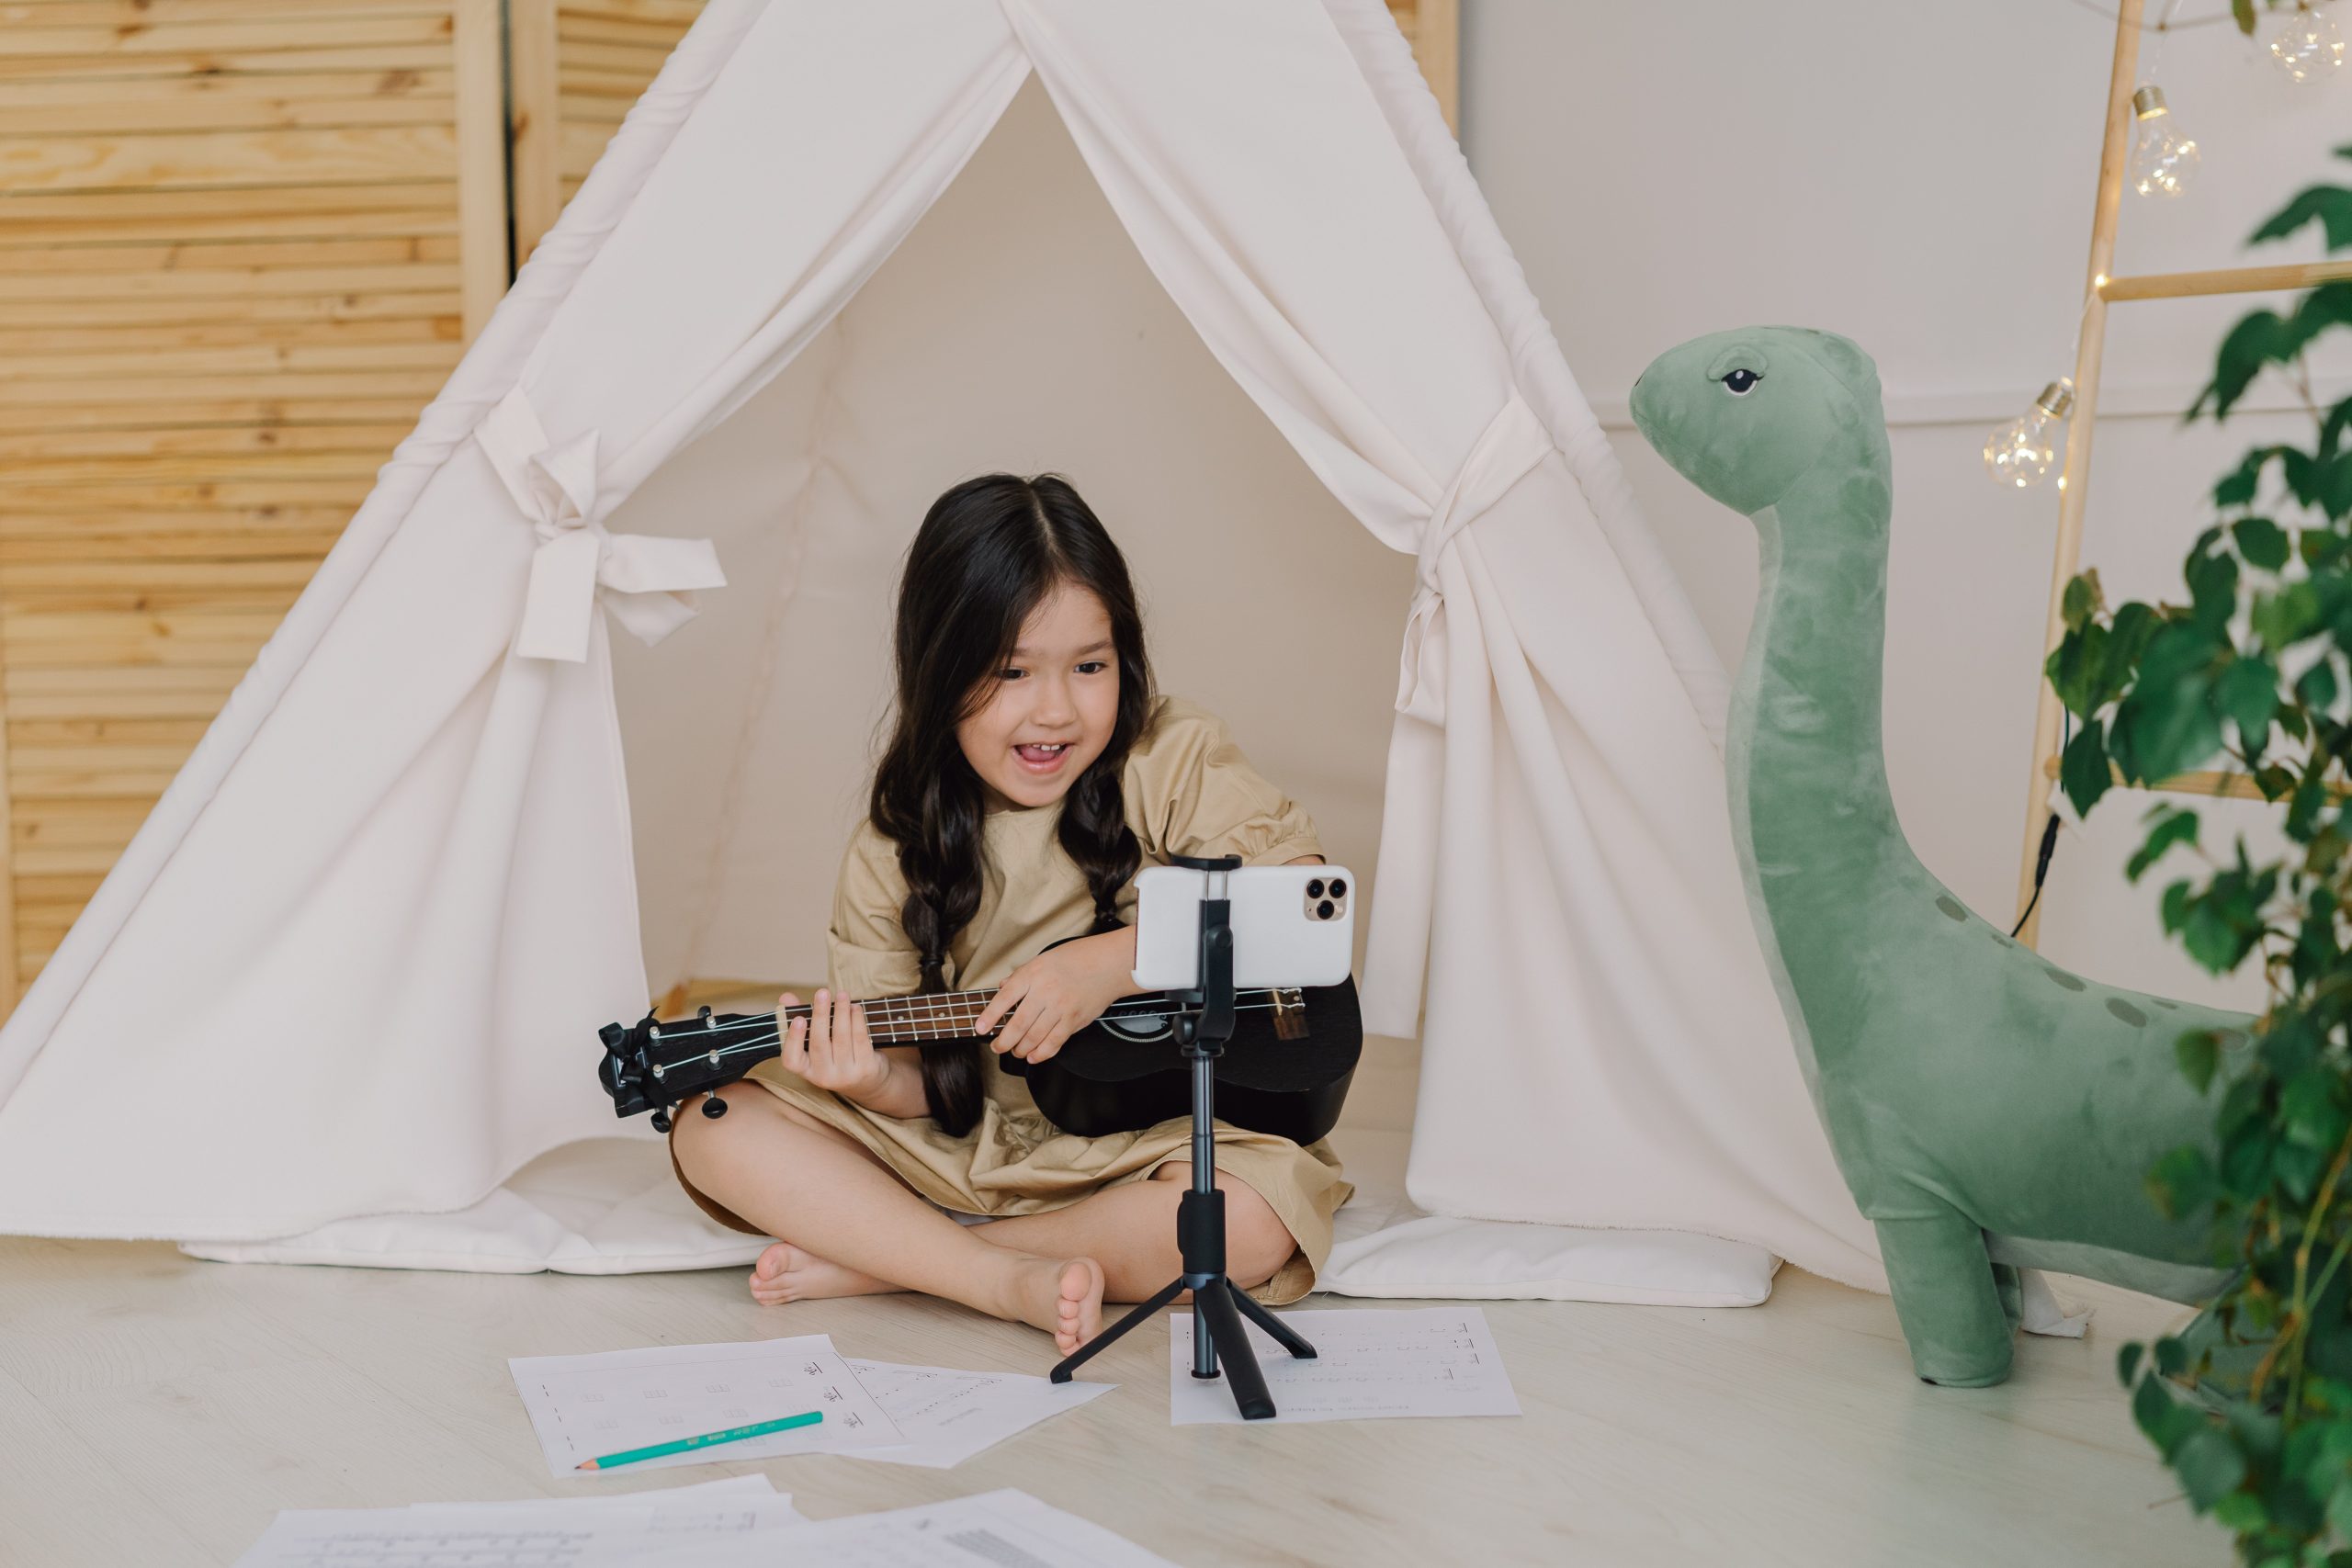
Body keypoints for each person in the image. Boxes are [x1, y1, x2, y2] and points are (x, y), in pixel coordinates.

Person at [670, 474, 1351, 1353]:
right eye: (1010, 672)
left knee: (1248, 1223)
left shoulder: (1171, 755)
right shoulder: (893, 846)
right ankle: (999, 1277)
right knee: (713, 1126)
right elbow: (920, 1086)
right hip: (971, 1142)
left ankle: (896, 1257)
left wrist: (1113, 964)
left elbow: (1306, 908)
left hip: (1145, 1137)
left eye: (1090, 666)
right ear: (939, 670)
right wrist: (872, 1081)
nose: (1057, 710)